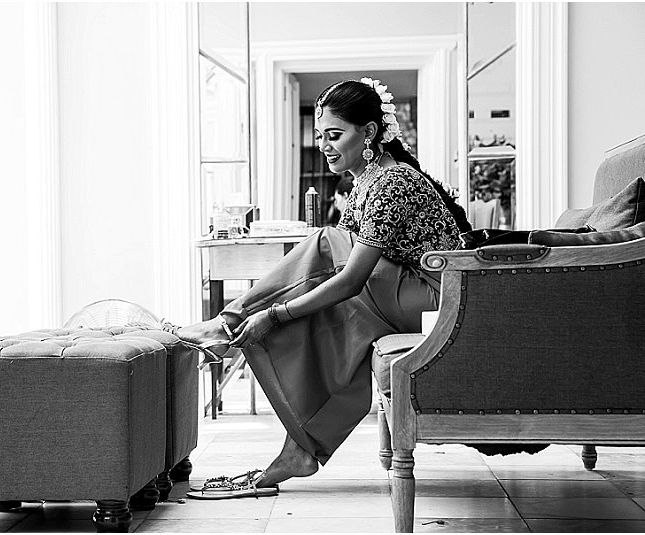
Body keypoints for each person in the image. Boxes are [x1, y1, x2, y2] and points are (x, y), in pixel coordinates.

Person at [174, 78, 471, 496]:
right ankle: (298, 446)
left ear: (368, 132)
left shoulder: (392, 183)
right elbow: (338, 279)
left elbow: (349, 278)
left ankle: (226, 327)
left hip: (439, 300)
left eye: (335, 135)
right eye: (319, 137)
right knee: (330, 314)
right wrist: (284, 312)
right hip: (407, 294)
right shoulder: (365, 182)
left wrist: (273, 313)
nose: (325, 146)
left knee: (325, 245)